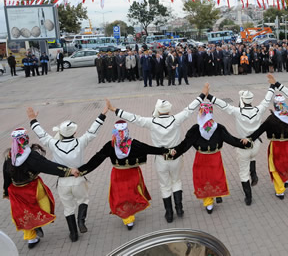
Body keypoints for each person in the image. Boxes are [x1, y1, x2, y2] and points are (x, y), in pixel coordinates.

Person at [108, 84, 208, 222]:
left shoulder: (151, 122)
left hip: (161, 159)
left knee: (164, 185)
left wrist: (116, 110)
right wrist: (202, 94)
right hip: (176, 157)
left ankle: (169, 213)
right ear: (168, 110)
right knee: (176, 181)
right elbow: (190, 109)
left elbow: (134, 118)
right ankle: (179, 208)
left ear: (158, 110)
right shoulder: (176, 119)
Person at [28, 106, 108, 241]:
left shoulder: (53, 143)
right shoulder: (80, 141)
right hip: (78, 179)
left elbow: (41, 134)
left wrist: (33, 120)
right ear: (75, 132)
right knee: (83, 200)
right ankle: (81, 221)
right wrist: (102, 114)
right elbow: (93, 131)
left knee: (68, 208)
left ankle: (73, 234)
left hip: (63, 181)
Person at [78, 121, 170, 230]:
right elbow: (148, 149)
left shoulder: (110, 145)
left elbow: (97, 158)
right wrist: (165, 151)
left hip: (118, 174)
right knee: (132, 194)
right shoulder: (134, 144)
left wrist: (82, 170)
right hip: (132, 173)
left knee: (120, 196)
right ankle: (130, 214)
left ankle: (127, 218)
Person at [166, 103, 252, 214]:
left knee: (204, 179)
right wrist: (245, 143)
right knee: (216, 177)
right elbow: (231, 140)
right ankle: (216, 195)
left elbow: (185, 145)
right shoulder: (219, 128)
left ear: (200, 113)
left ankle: (209, 203)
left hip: (201, 158)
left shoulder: (195, 130)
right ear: (211, 113)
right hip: (215, 157)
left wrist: (173, 153)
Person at [3, 128, 79, 249]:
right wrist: (69, 170)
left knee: (25, 214)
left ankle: (34, 232)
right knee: (35, 210)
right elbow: (48, 166)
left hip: (17, 191)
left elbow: (6, 176)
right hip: (31, 189)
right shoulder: (29, 156)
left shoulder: (10, 156)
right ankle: (32, 237)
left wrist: (6, 191)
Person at [208, 83, 276, 205]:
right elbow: (267, 99)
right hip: (256, 144)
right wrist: (272, 86)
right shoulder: (258, 109)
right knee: (252, 156)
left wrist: (209, 96)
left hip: (243, 146)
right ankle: (254, 174)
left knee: (243, 172)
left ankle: (248, 197)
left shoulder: (237, 111)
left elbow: (223, 105)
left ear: (242, 101)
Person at [245, 95, 288, 200]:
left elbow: (259, 131)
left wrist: (249, 139)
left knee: (275, 167)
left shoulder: (271, 119)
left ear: (275, 105)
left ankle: (280, 191)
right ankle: (287, 180)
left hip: (276, 146)